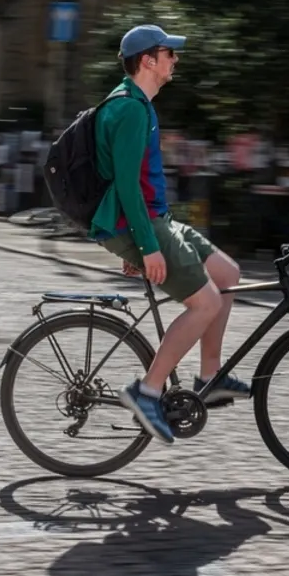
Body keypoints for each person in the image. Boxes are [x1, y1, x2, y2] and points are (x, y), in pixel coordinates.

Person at [90, 24, 243, 444]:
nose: (175, 60)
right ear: (147, 61)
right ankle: (148, 390)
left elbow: (137, 186)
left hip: (153, 219)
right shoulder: (129, 110)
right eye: (168, 53)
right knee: (206, 302)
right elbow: (125, 186)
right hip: (142, 225)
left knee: (227, 274)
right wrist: (145, 247)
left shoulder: (140, 104)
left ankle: (210, 377)